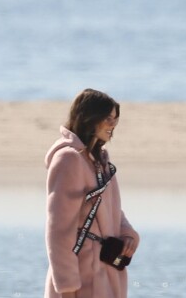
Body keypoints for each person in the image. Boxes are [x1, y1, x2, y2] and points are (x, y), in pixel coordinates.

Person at [44, 88, 139, 298]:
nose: (113, 125)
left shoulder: (101, 162)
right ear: (89, 117)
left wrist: (128, 234)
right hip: (81, 279)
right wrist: (67, 289)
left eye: (115, 119)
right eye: (107, 118)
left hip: (107, 274)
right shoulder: (68, 160)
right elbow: (59, 230)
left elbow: (113, 210)